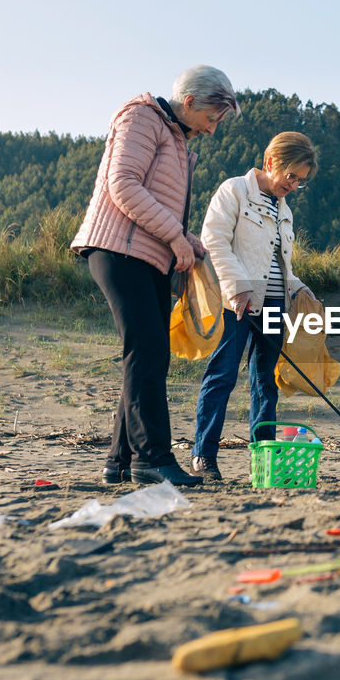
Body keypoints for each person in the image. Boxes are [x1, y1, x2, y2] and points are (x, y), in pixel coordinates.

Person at [71, 65, 239, 486]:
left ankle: (119, 460)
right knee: (147, 352)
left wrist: (186, 240)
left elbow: (158, 202)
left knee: (145, 354)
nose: (213, 129)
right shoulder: (142, 117)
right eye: (212, 118)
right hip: (117, 250)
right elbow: (123, 185)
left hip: (146, 256)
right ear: (190, 102)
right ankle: (153, 459)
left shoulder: (177, 138)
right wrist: (175, 237)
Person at [192, 132, 319, 479]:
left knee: (266, 381)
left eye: (301, 180)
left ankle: (264, 462)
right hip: (236, 302)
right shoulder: (234, 191)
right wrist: (238, 289)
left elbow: (279, 264)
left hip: (275, 303)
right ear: (270, 163)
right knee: (222, 375)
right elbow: (214, 241)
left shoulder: (285, 209)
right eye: (290, 175)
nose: (293, 184)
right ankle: (203, 456)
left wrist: (301, 288)